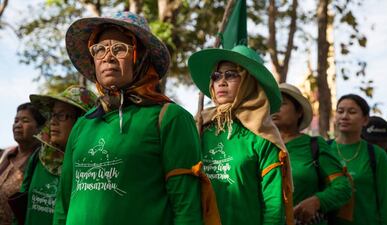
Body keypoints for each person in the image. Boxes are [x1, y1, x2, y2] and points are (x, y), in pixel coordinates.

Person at [53, 11, 204, 225]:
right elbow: (63, 203)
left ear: (141, 58)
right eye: (100, 49)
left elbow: (187, 208)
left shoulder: (170, 118)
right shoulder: (83, 124)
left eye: (119, 49)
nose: (108, 56)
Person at [188, 45, 294, 225]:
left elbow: (274, 205)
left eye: (231, 75)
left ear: (249, 81)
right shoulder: (198, 127)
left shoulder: (263, 135)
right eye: (216, 76)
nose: (221, 82)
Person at [15, 86, 97, 225]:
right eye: (53, 115)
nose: (53, 121)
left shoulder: (93, 166)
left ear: (83, 120)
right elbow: (21, 208)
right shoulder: (40, 157)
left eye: (62, 115)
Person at [272, 83, 352, 225]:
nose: (275, 108)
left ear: (299, 112)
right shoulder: (259, 146)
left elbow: (343, 187)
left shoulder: (314, 145)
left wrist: (317, 201)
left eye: (282, 103)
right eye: (273, 103)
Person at [330, 94, 387, 225]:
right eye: (340, 111)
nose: (344, 116)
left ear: (365, 120)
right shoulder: (323, 150)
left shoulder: (377, 155)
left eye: (352, 112)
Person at [0, 103, 46, 225]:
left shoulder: (43, 160)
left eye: (25, 121)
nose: (18, 125)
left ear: (39, 128)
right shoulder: (5, 155)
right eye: (16, 120)